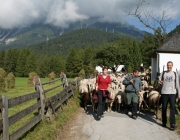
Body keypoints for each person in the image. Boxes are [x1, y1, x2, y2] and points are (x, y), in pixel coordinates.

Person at [159, 61, 180, 130]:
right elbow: (159, 82)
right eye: (168, 65)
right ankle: (164, 122)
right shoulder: (163, 73)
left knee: (172, 108)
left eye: (170, 65)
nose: (169, 67)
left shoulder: (175, 73)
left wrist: (179, 94)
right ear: (166, 66)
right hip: (164, 93)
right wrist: (160, 82)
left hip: (172, 93)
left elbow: (177, 85)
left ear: (172, 66)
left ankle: (172, 124)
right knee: (164, 108)